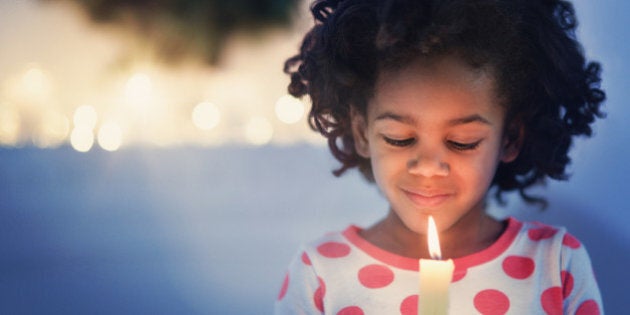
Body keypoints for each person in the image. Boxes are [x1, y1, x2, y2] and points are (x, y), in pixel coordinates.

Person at [275, 0, 605, 313]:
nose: (429, 167)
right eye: (399, 138)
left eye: (463, 142)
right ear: (362, 133)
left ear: (509, 138)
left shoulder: (555, 266)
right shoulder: (321, 275)